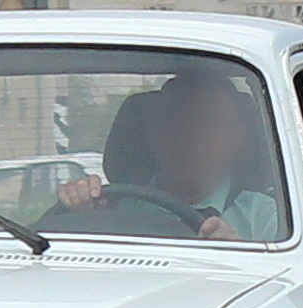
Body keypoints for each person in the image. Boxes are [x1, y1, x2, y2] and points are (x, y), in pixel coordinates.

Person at [52, 69, 280, 242]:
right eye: (176, 121)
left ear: (236, 139)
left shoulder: (270, 220)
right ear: (153, 133)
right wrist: (79, 215)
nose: (191, 138)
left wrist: (240, 255)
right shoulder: (111, 209)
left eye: (210, 124)